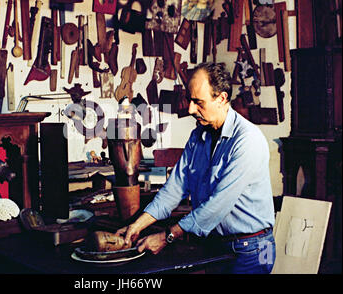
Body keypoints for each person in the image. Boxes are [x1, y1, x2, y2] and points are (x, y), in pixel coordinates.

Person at [116, 62, 276, 274]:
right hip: (216, 245)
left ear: (222, 99)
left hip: (253, 249)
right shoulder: (198, 136)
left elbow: (216, 205)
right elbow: (173, 190)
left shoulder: (247, 141)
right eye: (190, 100)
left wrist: (167, 236)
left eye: (198, 102)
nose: (191, 109)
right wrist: (137, 225)